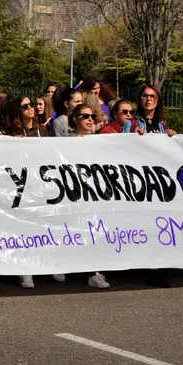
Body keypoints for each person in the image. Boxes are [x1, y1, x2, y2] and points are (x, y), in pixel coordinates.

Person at [69, 103, 110, 289]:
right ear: (75, 119)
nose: (90, 119)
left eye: (92, 116)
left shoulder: (99, 142)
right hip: (73, 195)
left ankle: (95, 272)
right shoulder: (64, 142)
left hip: (94, 195)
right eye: (85, 116)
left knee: (96, 231)